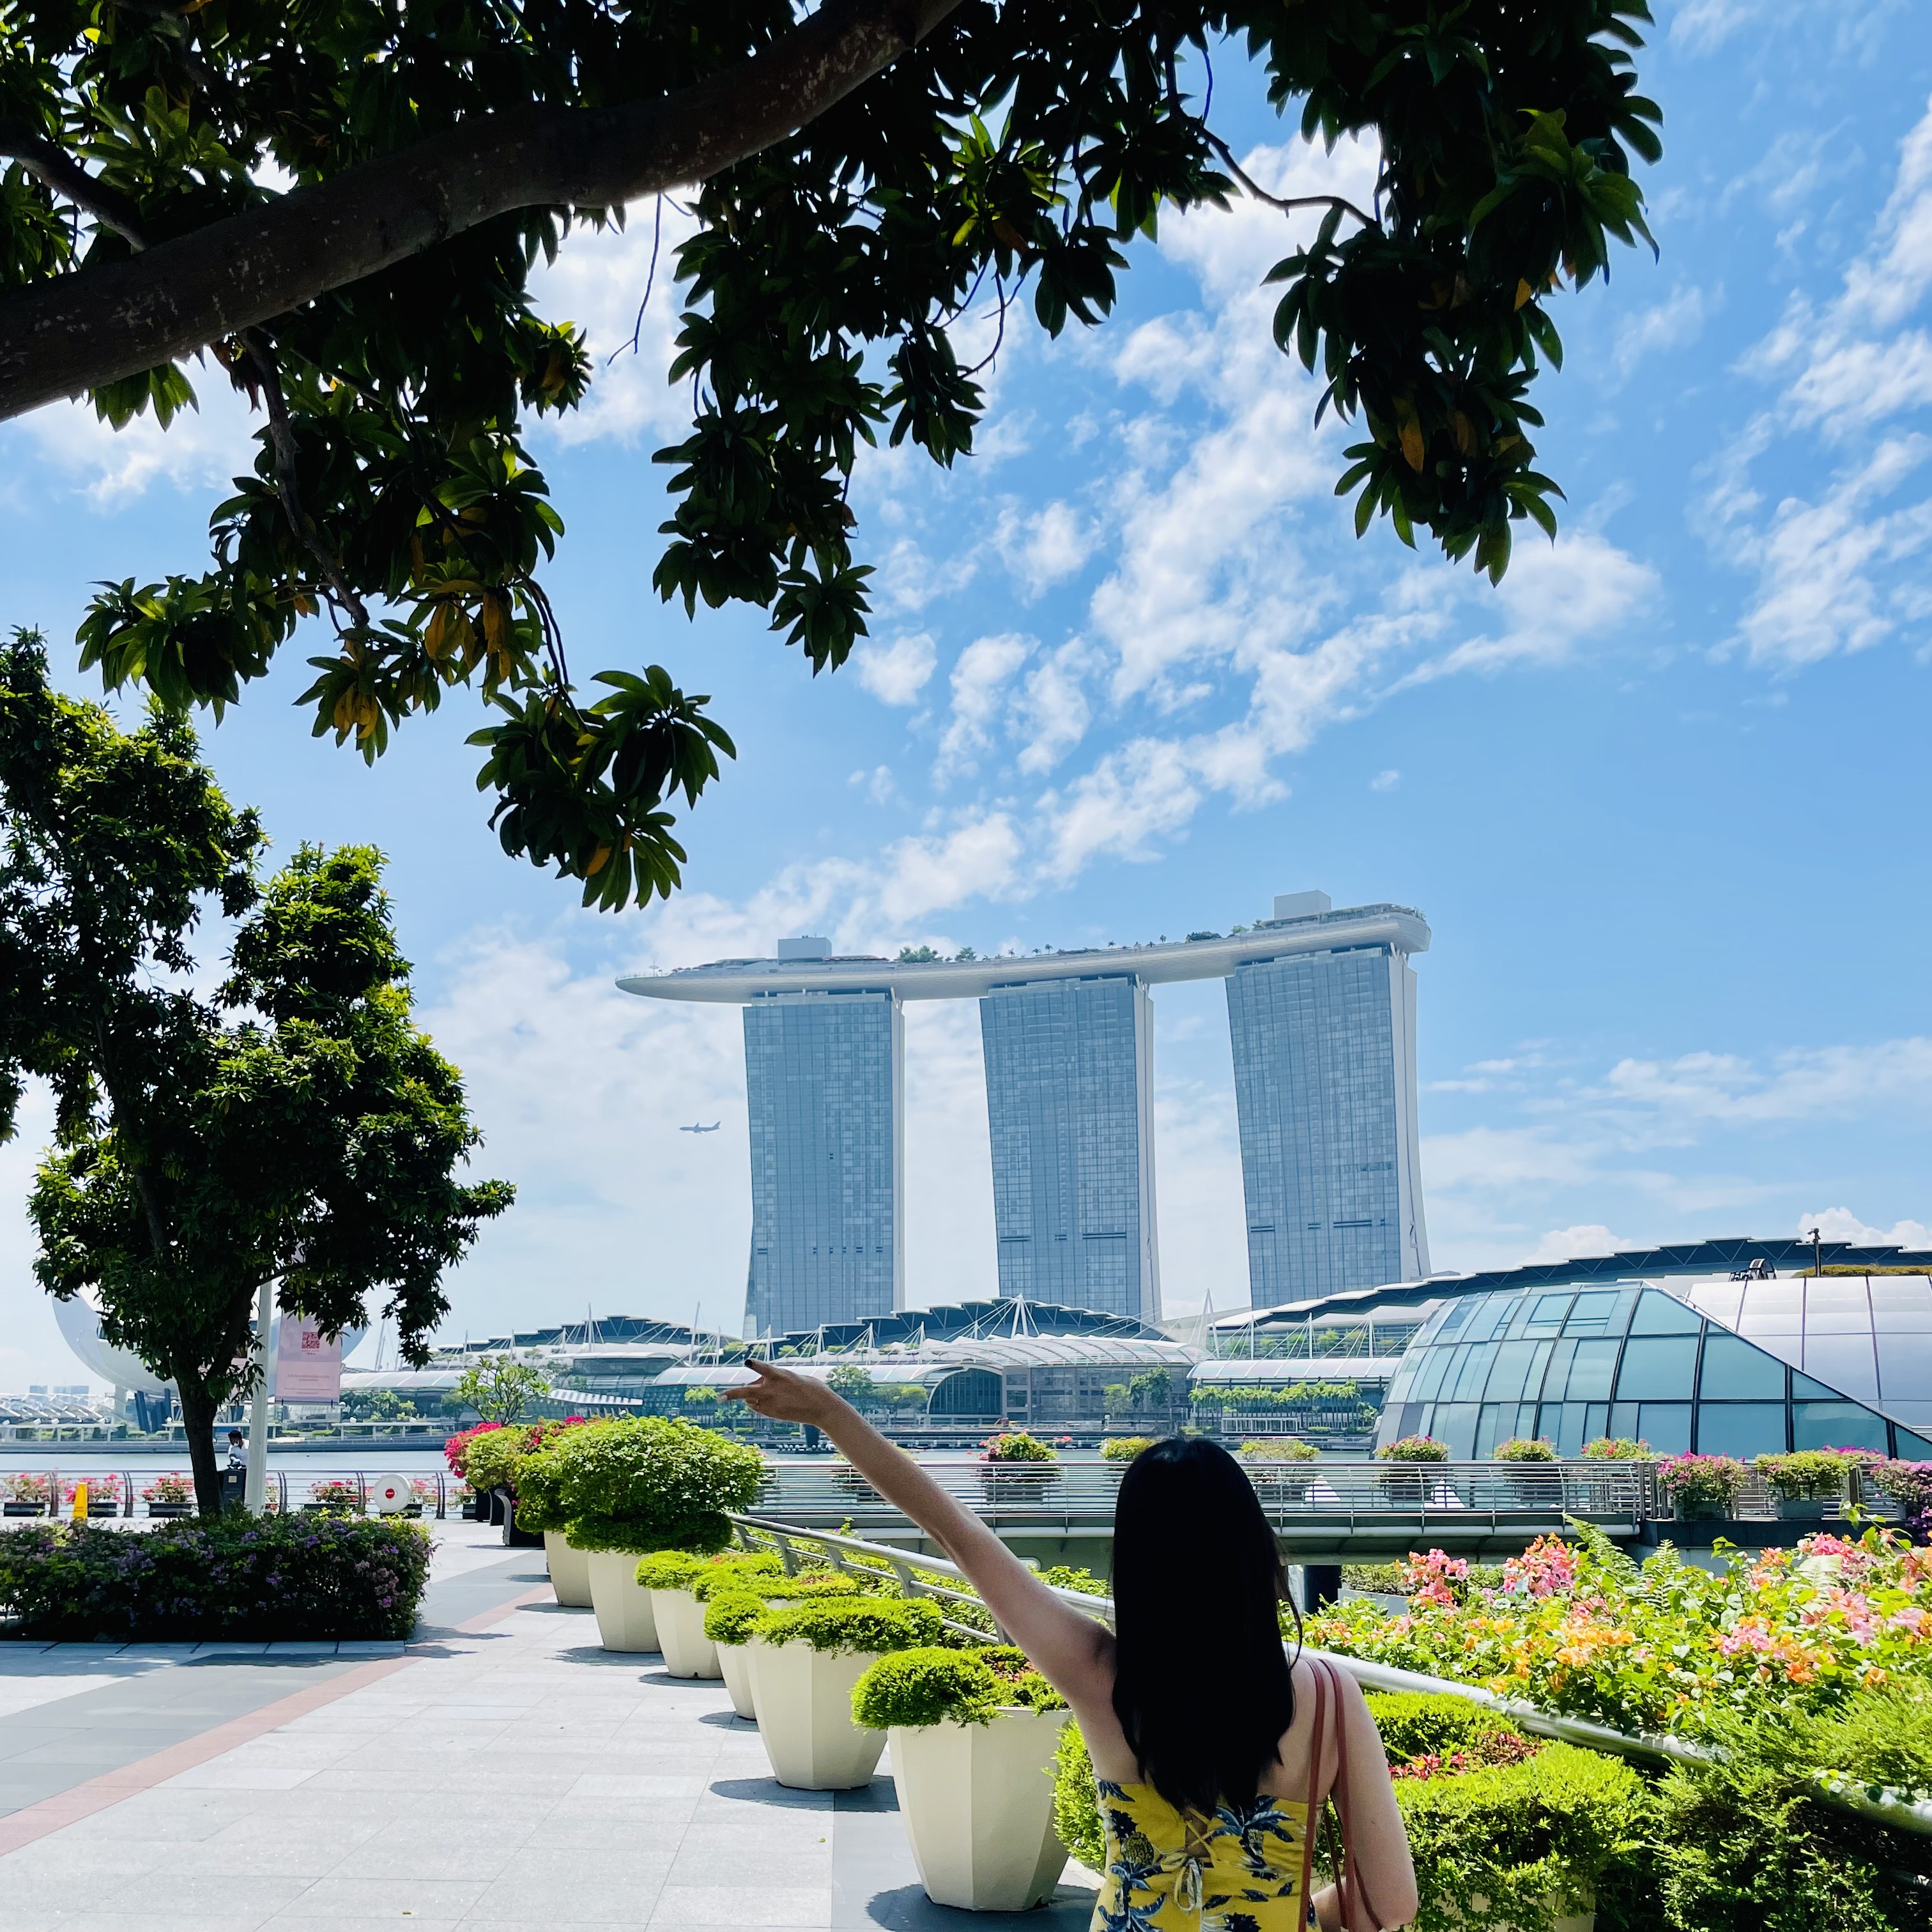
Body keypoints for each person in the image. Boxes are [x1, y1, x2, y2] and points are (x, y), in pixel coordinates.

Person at [724, 1360, 1418, 1932]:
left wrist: (831, 1414)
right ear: (1254, 1552)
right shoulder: (1330, 1697)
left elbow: (960, 1536)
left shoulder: (1099, 1675)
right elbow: (1389, 1904)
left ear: (1136, 1564)